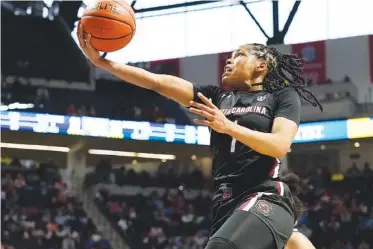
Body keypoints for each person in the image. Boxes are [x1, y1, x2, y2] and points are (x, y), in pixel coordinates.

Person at [77, 23, 322, 249]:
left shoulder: (281, 97)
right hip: (227, 203)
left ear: (261, 66)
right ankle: (291, 239)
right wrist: (102, 63)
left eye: (239, 55)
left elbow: (279, 145)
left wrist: (227, 126)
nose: (229, 59)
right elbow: (158, 83)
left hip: (265, 195)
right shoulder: (216, 98)